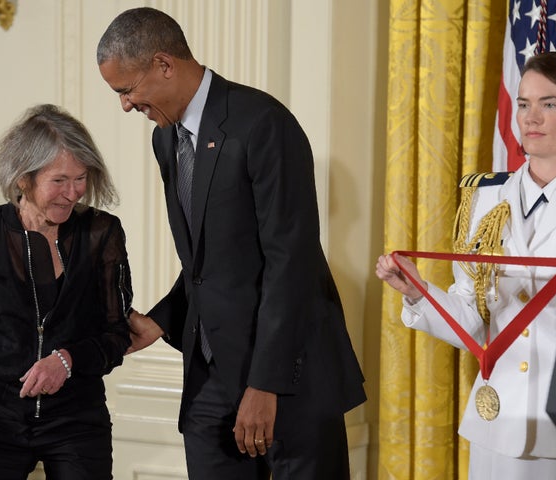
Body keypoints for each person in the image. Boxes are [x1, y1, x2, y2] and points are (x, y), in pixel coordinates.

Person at [97, 7, 366, 479]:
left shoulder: (261, 123)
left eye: (127, 90)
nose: (124, 105)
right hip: (210, 380)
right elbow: (209, 258)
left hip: (288, 379)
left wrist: (266, 384)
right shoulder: (166, 139)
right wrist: (162, 321)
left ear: (164, 64)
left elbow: (291, 263)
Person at [376, 51, 556, 479]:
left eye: (549, 103)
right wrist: (418, 292)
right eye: (523, 103)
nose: (531, 117)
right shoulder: (486, 199)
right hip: (497, 417)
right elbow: (476, 323)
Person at [0, 104, 132, 480]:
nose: (72, 194)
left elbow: (117, 334)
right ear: (23, 179)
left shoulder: (101, 233)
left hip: (77, 421)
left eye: (80, 178)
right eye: (59, 180)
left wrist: (67, 359)